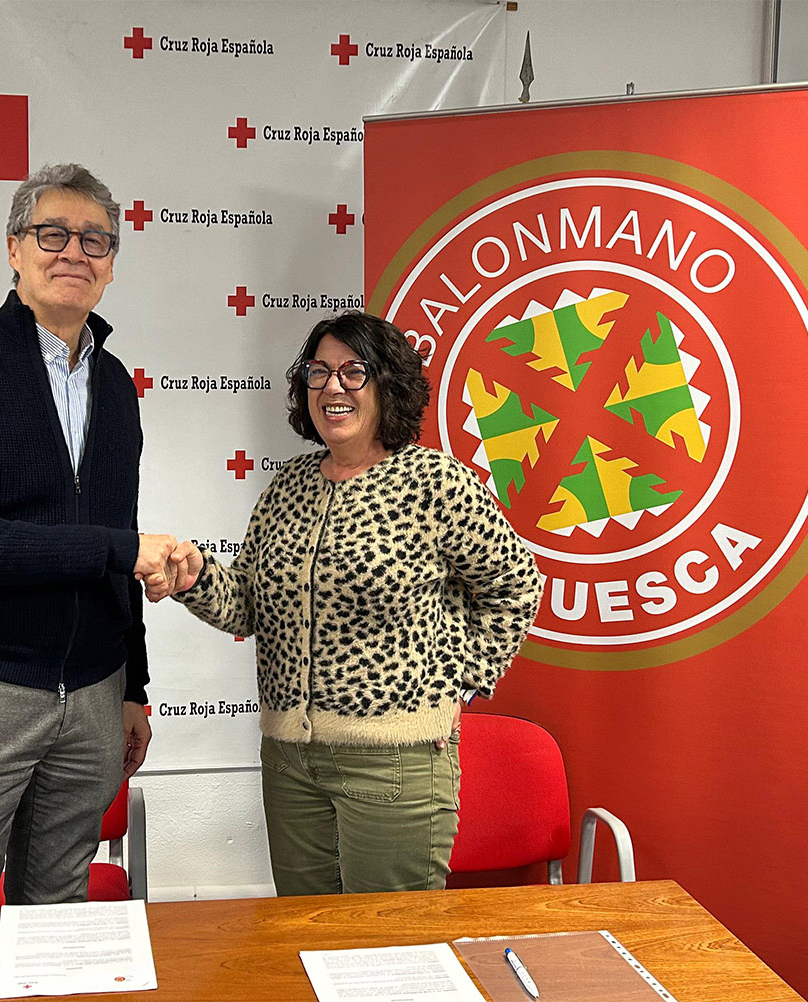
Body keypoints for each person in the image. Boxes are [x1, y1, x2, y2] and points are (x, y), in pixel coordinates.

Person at [150, 311, 543, 895]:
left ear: (388, 385)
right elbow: (249, 606)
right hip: (289, 762)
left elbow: (516, 585)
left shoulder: (436, 483)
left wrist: (455, 679)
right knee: (305, 934)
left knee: (390, 943)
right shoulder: (286, 488)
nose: (333, 386)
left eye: (354, 371)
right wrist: (194, 577)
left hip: (394, 760)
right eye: (319, 372)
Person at [0, 163, 174, 911]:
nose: (74, 252)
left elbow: (117, 538)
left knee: (58, 922)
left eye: (95, 240)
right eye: (53, 234)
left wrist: (133, 687)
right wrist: (117, 550)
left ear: (111, 265)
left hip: (94, 696)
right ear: (14, 249)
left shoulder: (116, 387)